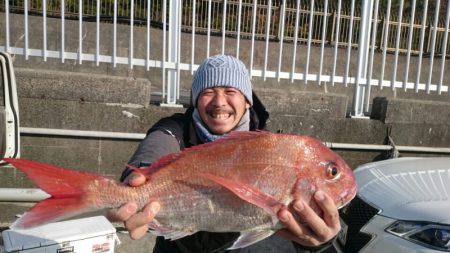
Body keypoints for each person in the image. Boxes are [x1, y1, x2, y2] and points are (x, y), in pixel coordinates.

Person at [108, 55, 341, 252]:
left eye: (231, 91)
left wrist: (320, 244)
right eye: (208, 91)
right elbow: (155, 149)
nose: (220, 102)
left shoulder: (272, 148)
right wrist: (138, 183)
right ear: (196, 100)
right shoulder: (174, 129)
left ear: (247, 101)